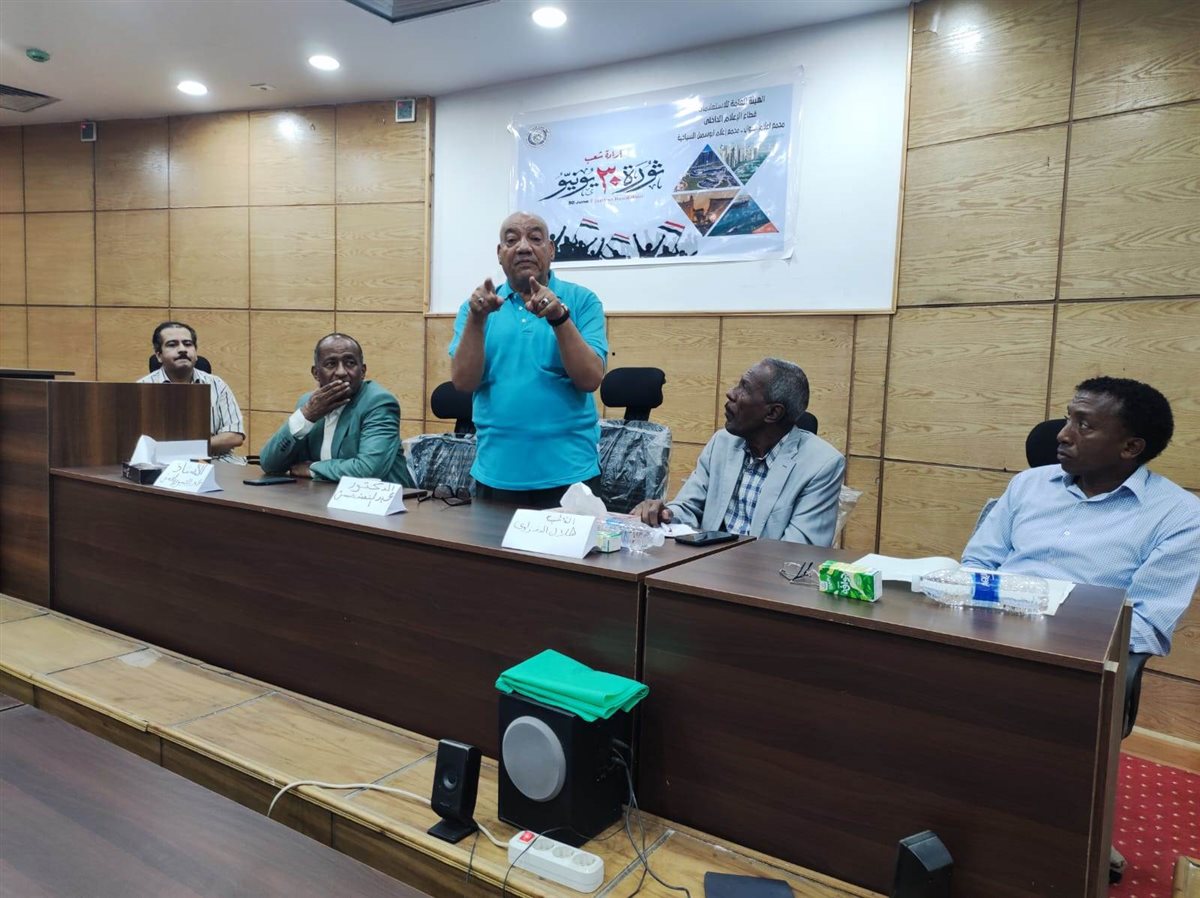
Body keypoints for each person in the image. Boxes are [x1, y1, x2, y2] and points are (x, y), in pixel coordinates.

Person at [962, 376, 1199, 657]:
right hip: (984, 633)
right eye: (1068, 419)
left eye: (1083, 425)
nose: (1062, 435)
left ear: (1130, 448)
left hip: (1071, 656)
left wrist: (1037, 632)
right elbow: (978, 564)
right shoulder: (1028, 483)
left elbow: (1146, 627)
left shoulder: (1180, 516)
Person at [449, 211, 607, 507]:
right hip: (495, 475)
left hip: (570, 477)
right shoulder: (476, 309)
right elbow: (463, 382)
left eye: (535, 238)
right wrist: (477, 320)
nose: (523, 247)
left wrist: (559, 317)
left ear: (551, 250)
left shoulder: (583, 301)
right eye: (512, 240)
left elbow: (590, 379)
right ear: (500, 253)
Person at [632, 358, 845, 545]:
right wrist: (665, 514)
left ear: (773, 413)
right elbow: (689, 506)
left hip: (764, 575)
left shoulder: (822, 465)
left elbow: (799, 549)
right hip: (705, 567)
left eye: (744, 388)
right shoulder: (722, 442)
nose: (731, 393)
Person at [259, 333, 414, 486]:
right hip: (320, 496)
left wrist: (313, 469)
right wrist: (307, 415)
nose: (341, 372)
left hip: (381, 499)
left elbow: (368, 469)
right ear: (316, 373)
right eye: (331, 364)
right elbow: (270, 465)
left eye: (350, 363)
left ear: (363, 371)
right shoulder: (308, 404)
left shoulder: (378, 403)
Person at [137, 321, 246, 464]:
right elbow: (135, 443)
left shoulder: (217, 384)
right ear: (158, 355)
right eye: (172, 344)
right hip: (161, 464)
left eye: (188, 344)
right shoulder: (140, 389)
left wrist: (189, 449)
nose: (182, 349)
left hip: (218, 461)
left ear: (195, 352)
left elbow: (235, 436)